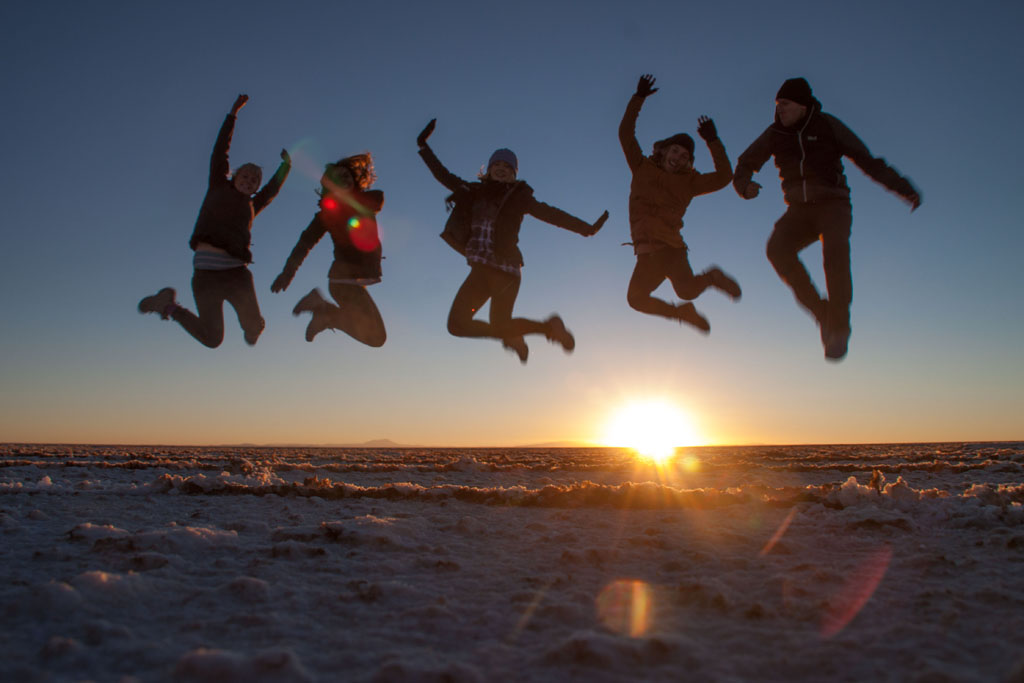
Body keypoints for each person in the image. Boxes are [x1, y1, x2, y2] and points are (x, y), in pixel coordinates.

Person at [733, 77, 921, 361]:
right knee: (777, 250)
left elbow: (867, 160)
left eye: (785, 104)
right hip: (799, 211)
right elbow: (745, 163)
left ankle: (840, 328)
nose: (779, 110)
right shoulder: (775, 133)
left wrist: (902, 188)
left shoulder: (827, 125)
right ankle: (824, 314)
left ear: (802, 106)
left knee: (834, 256)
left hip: (833, 205)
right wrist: (744, 187)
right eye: (777, 105)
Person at [416, 118, 609, 363]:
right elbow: (443, 175)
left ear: (514, 174)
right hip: (481, 269)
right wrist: (423, 146)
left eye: (507, 167)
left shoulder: (520, 198)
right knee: (457, 325)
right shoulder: (472, 191)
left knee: (500, 323)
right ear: (487, 170)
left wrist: (586, 229)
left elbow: (551, 214)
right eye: (496, 164)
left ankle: (535, 330)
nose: (501, 169)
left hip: (506, 269)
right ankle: (534, 331)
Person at [138, 94, 291, 347]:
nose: (250, 179)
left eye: (255, 179)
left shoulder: (253, 205)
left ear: (255, 189)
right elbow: (221, 150)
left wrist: (286, 167)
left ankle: (253, 330)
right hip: (206, 277)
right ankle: (168, 306)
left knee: (253, 329)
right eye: (246, 174)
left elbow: (272, 190)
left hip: (236, 275)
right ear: (234, 176)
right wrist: (233, 113)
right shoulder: (218, 185)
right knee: (212, 339)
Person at [620, 74, 740, 333]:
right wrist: (638, 98)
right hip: (646, 252)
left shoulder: (690, 182)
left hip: (672, 249)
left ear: (688, 163)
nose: (679, 157)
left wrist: (713, 141)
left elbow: (724, 177)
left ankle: (712, 277)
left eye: (685, 156)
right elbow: (625, 133)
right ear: (663, 150)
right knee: (635, 299)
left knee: (686, 289)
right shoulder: (641, 167)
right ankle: (681, 314)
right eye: (675, 151)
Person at [270, 153, 386, 347]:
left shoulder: (364, 202)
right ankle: (324, 311)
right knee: (375, 337)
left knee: (377, 337)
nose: (344, 179)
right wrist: (287, 272)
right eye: (337, 178)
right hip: (343, 281)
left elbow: (375, 200)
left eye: (347, 175)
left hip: (354, 282)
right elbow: (304, 243)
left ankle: (323, 310)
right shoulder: (328, 213)